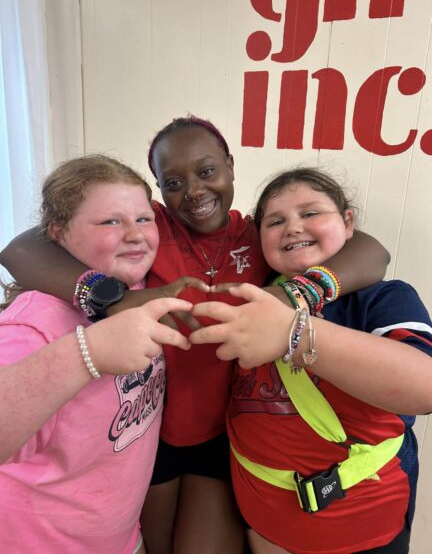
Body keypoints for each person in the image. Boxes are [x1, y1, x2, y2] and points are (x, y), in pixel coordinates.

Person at [0, 118, 390, 554]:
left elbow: (373, 251)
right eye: (173, 182)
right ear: (160, 191)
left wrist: (293, 293)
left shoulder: (257, 233)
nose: (195, 191)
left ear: (229, 165)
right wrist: (110, 299)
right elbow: (20, 247)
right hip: (145, 434)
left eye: (206, 172)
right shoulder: (153, 227)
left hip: (221, 432)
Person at [189, 168, 432, 554]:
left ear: (348, 222)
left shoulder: (381, 298)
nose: (293, 227)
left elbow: (424, 388)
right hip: (264, 524)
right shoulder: (252, 293)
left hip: (363, 528)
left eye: (310, 213)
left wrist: (294, 333)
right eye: (276, 220)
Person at [0, 155, 195, 554]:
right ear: (57, 233)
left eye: (143, 219)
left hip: (121, 536)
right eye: (110, 222)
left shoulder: (136, 284)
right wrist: (88, 352)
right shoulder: (33, 324)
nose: (135, 235)